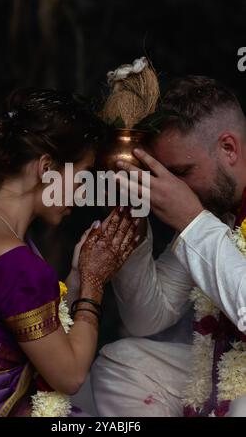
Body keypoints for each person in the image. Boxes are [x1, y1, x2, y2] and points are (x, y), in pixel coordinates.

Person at [0, 88, 140, 417]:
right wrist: (94, 282)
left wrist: (77, 278)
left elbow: (24, 331)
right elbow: (70, 375)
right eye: (81, 178)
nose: (81, 194)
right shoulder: (13, 261)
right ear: (46, 167)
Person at [91, 72, 246, 417]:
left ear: (228, 148)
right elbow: (148, 320)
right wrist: (134, 227)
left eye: (181, 173)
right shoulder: (217, 211)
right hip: (226, 363)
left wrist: (192, 220)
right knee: (123, 366)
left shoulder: (200, 216)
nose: (173, 189)